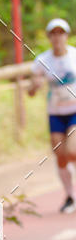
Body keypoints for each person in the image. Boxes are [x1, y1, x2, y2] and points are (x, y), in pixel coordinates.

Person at [29, 17, 76, 213]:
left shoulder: (74, 56)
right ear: (49, 37)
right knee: (60, 155)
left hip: (74, 110)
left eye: (61, 33)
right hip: (55, 113)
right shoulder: (42, 61)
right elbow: (31, 90)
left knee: (73, 150)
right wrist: (35, 85)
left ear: (67, 35)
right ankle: (70, 195)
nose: (58, 37)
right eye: (54, 33)